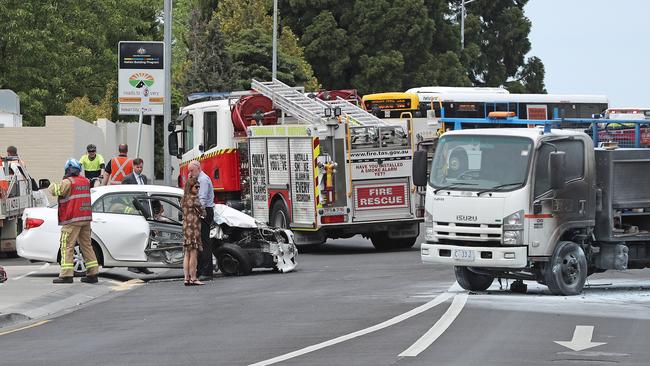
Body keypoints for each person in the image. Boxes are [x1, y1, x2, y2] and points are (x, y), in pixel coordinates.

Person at [49, 159, 99, 284]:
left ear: (67, 169)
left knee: (67, 246)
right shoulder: (85, 181)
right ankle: (93, 274)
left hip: (72, 219)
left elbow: (56, 190)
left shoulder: (68, 182)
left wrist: (50, 185)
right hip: (85, 219)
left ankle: (66, 275)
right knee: (86, 245)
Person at [120, 157, 152, 275]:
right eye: (137, 167)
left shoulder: (143, 178)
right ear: (133, 167)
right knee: (133, 238)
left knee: (144, 238)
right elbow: (124, 196)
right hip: (133, 211)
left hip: (144, 210)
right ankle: (132, 265)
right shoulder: (127, 179)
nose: (140, 169)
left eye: (141, 167)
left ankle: (142, 265)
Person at [187, 160, 214, 281]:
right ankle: (201, 270)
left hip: (204, 211)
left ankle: (207, 272)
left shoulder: (203, 180)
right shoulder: (198, 179)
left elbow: (202, 199)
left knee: (204, 242)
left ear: (198, 168)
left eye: (192, 170)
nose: (190, 173)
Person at [182, 177, 205, 286]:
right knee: (194, 254)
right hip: (194, 228)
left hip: (186, 228)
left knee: (187, 254)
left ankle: (186, 278)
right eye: (196, 187)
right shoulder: (194, 198)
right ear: (190, 187)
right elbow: (203, 212)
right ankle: (194, 278)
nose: (198, 189)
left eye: (199, 187)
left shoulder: (184, 198)